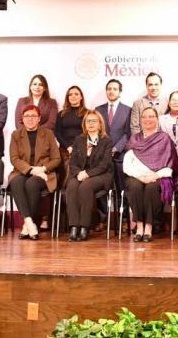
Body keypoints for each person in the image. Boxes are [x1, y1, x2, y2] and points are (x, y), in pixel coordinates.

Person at [123, 107, 178, 242]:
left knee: (152, 188)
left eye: (151, 116)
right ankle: (139, 226)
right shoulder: (134, 139)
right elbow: (127, 164)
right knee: (134, 186)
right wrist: (141, 177)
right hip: (137, 176)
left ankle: (148, 227)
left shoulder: (163, 138)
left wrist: (154, 176)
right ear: (140, 120)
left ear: (157, 119)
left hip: (158, 176)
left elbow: (169, 163)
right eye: (144, 117)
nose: (147, 119)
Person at [8, 105, 60, 240]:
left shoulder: (48, 134)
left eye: (33, 116)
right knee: (16, 182)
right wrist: (31, 170)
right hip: (22, 171)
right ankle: (30, 223)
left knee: (31, 183)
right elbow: (14, 158)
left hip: (44, 173)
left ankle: (27, 226)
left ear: (39, 119)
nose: (30, 119)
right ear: (22, 118)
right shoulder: (16, 135)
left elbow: (56, 159)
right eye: (27, 116)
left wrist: (42, 169)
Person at [65, 110, 113, 241]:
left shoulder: (106, 141)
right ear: (84, 124)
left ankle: (85, 226)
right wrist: (78, 173)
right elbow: (73, 162)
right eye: (88, 121)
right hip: (80, 173)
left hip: (101, 175)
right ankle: (74, 226)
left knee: (85, 186)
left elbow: (105, 165)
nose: (91, 124)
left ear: (100, 124)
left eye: (94, 121)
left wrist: (87, 174)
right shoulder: (79, 140)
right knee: (72, 186)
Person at [95, 79, 131, 197]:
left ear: (120, 92)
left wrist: (115, 149)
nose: (111, 91)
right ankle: (104, 209)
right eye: (109, 89)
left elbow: (128, 133)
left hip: (120, 155)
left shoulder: (128, 110)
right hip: (102, 155)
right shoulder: (98, 110)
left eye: (115, 89)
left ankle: (123, 208)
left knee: (122, 187)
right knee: (102, 188)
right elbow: (96, 132)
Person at [55, 85, 89, 163]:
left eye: (76, 94)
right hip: (64, 148)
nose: (73, 96)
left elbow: (89, 132)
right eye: (70, 94)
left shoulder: (87, 113)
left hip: (82, 147)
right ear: (67, 98)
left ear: (81, 97)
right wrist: (68, 146)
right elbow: (57, 132)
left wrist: (75, 146)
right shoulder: (61, 114)